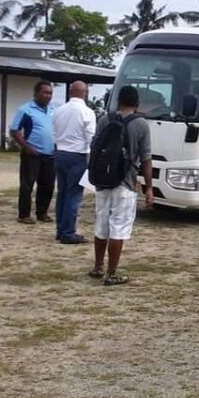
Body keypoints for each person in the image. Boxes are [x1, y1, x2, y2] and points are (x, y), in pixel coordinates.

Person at [88, 86, 153, 285]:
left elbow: (94, 147)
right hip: (125, 182)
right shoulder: (141, 124)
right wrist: (149, 187)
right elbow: (146, 158)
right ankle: (112, 273)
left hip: (102, 181)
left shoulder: (104, 120)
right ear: (137, 103)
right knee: (118, 228)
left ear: (118, 101)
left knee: (101, 225)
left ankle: (98, 267)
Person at [52, 81, 96, 244]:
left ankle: (60, 229)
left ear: (70, 92)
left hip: (60, 153)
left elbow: (54, 133)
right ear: (85, 93)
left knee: (62, 193)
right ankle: (68, 232)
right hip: (77, 155)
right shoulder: (87, 112)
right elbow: (91, 137)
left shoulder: (59, 110)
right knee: (74, 195)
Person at [10, 81, 56, 224]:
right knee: (27, 185)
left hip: (50, 154)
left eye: (50, 93)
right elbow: (14, 131)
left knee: (47, 185)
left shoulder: (54, 110)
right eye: (45, 92)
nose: (48, 96)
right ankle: (24, 215)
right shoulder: (25, 110)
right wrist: (26, 147)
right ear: (36, 94)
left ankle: (42, 213)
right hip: (32, 154)